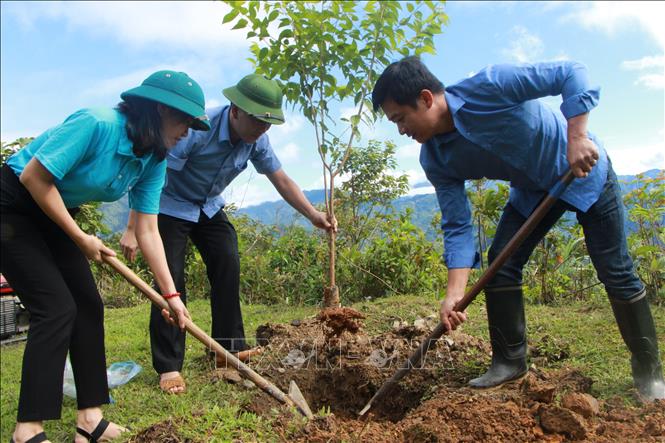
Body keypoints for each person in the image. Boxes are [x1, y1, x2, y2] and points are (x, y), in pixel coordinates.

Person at [371, 56, 665, 401]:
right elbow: (457, 224)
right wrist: (455, 291)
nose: (401, 130)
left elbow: (573, 72)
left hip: (584, 172)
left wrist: (577, 137)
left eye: (400, 119)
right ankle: (509, 362)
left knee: (615, 270)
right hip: (533, 192)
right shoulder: (435, 159)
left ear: (425, 98)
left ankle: (650, 374)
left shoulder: (491, 85)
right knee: (501, 266)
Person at [1, 70, 210, 443]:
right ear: (160, 109)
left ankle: (90, 418)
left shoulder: (153, 158)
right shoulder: (96, 124)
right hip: (13, 206)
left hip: (57, 211)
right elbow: (33, 177)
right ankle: (28, 429)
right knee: (56, 307)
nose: (187, 132)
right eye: (185, 122)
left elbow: (148, 230)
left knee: (88, 306)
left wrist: (171, 295)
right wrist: (81, 238)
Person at [120, 73, 336, 394]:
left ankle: (227, 349)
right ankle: (168, 366)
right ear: (235, 111)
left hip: (207, 206)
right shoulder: (195, 131)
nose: (263, 129)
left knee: (227, 261)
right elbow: (152, 172)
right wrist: (133, 227)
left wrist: (314, 215)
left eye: (269, 123)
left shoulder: (257, 139)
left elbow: (281, 179)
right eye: (258, 120)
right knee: (171, 279)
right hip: (169, 204)